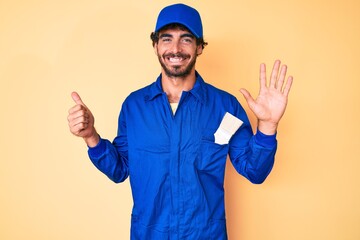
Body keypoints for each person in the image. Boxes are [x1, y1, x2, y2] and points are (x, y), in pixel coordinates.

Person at [68, 3, 293, 239]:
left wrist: (268, 126)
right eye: (167, 39)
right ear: (155, 45)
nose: (175, 48)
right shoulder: (134, 107)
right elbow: (120, 169)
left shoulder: (225, 107)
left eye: (186, 39)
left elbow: (255, 172)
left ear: (199, 47)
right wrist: (90, 136)